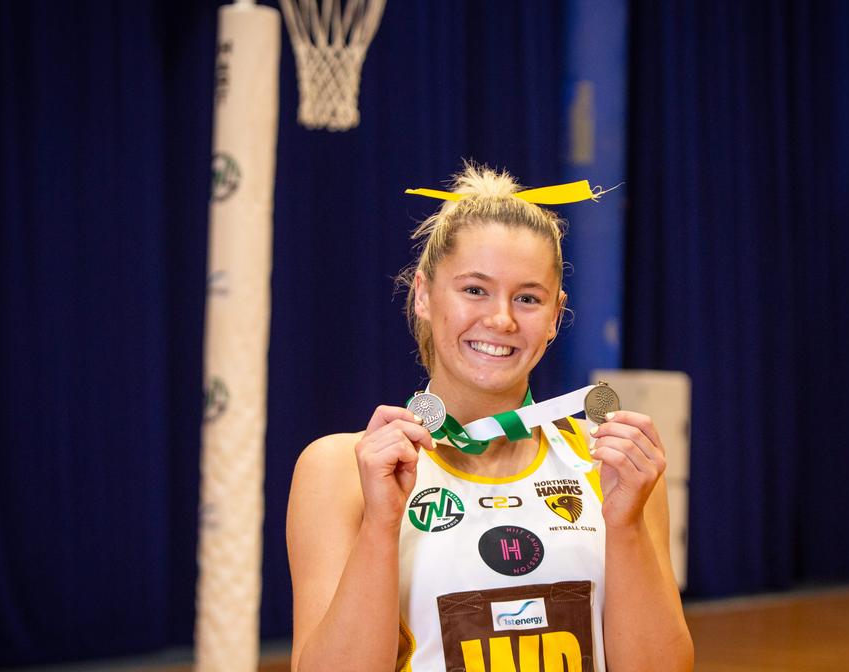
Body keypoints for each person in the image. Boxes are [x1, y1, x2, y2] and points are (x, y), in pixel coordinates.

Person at [286, 163, 693, 671]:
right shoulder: (341, 469)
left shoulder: (609, 461)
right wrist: (380, 526)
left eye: (527, 298)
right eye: (475, 290)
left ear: (554, 317)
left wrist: (625, 526)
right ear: (423, 294)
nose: (500, 319)